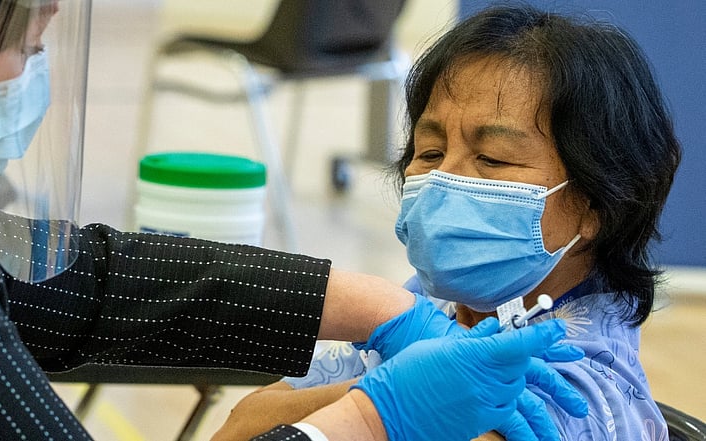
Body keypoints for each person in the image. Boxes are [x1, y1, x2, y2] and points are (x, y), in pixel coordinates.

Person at [0, 1, 587, 440]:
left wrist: (385, 308)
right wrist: (370, 418)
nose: (27, 79)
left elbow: (81, 277)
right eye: (26, 50)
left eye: (495, 160)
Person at [213, 3, 682, 441]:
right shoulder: (430, 306)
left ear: (599, 202)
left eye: (494, 159)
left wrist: (377, 397)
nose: (442, 181)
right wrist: (385, 397)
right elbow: (242, 423)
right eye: (430, 152)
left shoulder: (577, 385)